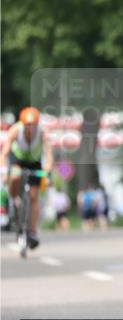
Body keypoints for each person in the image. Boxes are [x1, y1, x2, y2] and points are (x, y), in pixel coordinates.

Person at [0, 107, 54, 249]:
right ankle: (12, 200)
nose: (30, 129)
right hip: (17, 159)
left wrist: (48, 175)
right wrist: (4, 171)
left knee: (34, 196)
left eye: (33, 125)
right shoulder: (15, 130)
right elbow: (4, 152)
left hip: (34, 162)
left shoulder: (44, 133)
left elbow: (49, 156)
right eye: (28, 125)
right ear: (23, 124)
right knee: (16, 176)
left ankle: (32, 231)